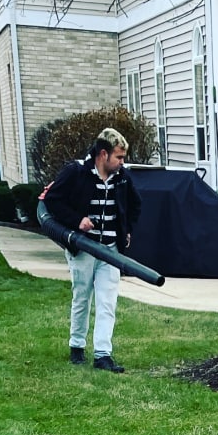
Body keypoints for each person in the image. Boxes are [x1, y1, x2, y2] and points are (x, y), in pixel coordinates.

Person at [42, 128, 142, 373]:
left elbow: (135, 205)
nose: (122, 162)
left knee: (108, 301)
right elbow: (52, 200)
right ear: (103, 154)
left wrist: (125, 229)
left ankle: (102, 355)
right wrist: (78, 221)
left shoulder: (122, 178)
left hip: (110, 251)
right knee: (82, 297)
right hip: (83, 248)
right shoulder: (76, 173)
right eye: (119, 157)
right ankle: (76, 347)